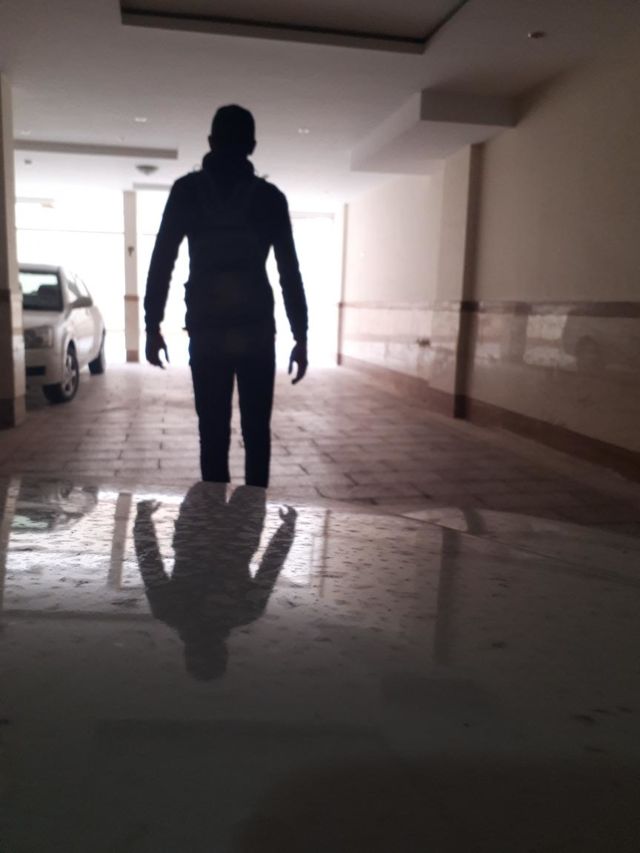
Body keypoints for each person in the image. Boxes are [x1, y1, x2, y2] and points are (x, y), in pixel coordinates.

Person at [143, 104, 308, 488]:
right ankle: (252, 513)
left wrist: (153, 326)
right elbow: (289, 271)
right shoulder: (270, 198)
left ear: (210, 142)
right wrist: (300, 336)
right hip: (256, 332)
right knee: (257, 433)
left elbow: (162, 260)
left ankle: (214, 517)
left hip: (208, 331)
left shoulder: (187, 192)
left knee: (213, 432)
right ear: (252, 146)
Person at [134, 483, 297, 681]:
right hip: (196, 530)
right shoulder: (168, 611)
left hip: (239, 534)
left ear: (224, 652)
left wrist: (287, 529)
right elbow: (149, 563)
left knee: (251, 480)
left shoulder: (245, 613)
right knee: (215, 475)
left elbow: (270, 568)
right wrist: (142, 519)